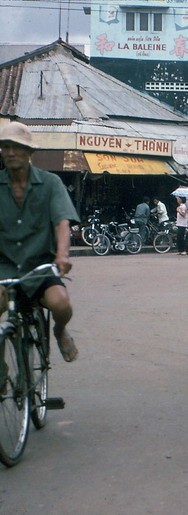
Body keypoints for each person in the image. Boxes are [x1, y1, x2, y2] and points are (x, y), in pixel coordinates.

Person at [0, 121, 79, 362]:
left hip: (40, 267)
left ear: (30, 152)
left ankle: (59, 331)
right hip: (4, 267)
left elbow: (62, 222)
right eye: (5, 147)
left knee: (61, 303)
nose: (11, 153)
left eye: (17, 147)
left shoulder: (51, 183)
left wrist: (62, 255)